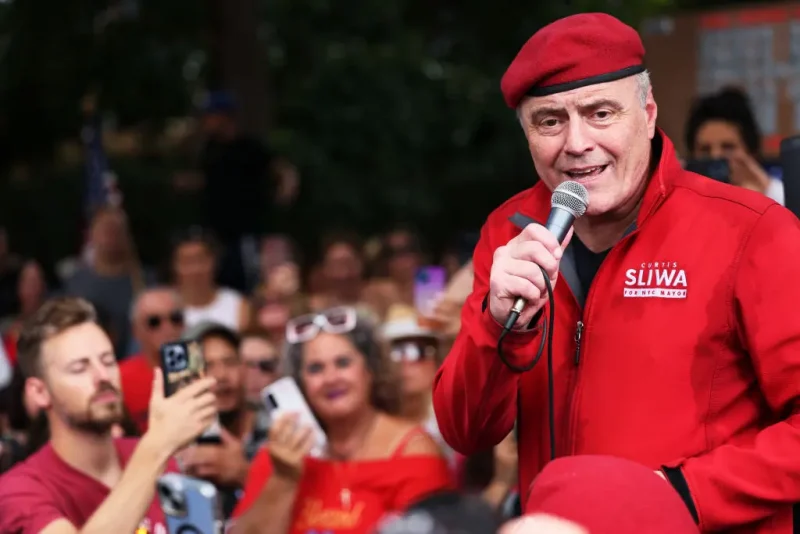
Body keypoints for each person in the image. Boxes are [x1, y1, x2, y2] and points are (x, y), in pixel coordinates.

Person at [432, 12, 800, 534]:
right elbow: (465, 432)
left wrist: (682, 494)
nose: (577, 142)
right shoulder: (510, 232)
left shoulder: (752, 230)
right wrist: (498, 326)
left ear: (648, 115)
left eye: (601, 113)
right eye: (550, 121)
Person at [0, 297, 218, 534]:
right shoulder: (19, 489)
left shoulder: (155, 457)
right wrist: (157, 446)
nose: (103, 375)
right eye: (80, 368)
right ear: (40, 392)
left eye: (108, 360)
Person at [232, 306, 453, 534]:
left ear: (370, 369)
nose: (331, 378)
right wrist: (283, 479)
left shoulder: (414, 452)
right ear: (300, 384)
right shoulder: (278, 456)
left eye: (343, 363)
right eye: (316, 369)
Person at [684, 87, 783, 204]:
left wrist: (768, 191)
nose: (715, 156)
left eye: (728, 147)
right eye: (705, 149)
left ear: (751, 152)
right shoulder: (683, 202)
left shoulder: (770, 195)